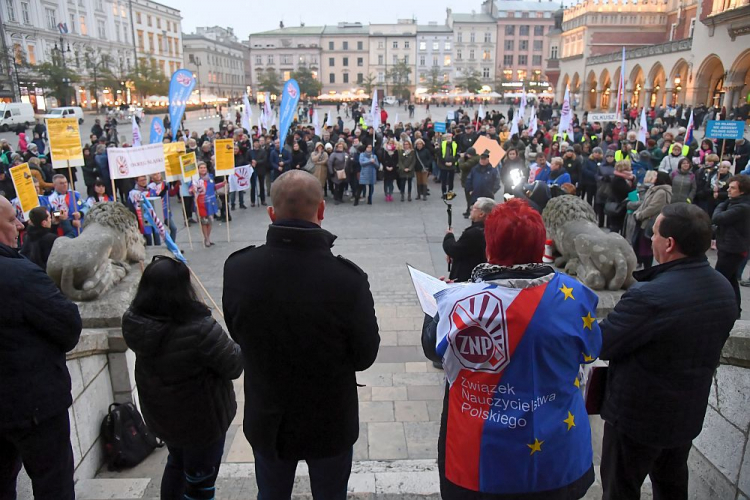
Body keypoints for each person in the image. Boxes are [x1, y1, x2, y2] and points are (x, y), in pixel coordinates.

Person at [423, 199, 600, 499]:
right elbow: (591, 351)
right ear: (540, 246)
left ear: (490, 249)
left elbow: (433, 348)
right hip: (556, 456)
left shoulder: (457, 302)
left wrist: (435, 305)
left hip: (478, 459)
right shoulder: (576, 296)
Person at [222, 171, 380, 500]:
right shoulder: (347, 280)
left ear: (271, 212)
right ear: (321, 210)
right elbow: (365, 356)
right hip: (330, 422)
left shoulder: (239, 269)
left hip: (269, 420)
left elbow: (238, 333)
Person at [599, 203, 738, 500]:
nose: (650, 239)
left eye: (654, 233)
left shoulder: (649, 296)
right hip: (685, 415)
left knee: (620, 489)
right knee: (672, 485)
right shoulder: (723, 288)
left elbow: (603, 343)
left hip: (636, 419)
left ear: (670, 243)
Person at [122, 255, 243, 500]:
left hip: (163, 417)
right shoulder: (199, 328)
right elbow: (234, 365)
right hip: (201, 422)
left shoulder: (134, 320)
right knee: (200, 482)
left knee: (176, 464)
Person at [0, 195, 82, 499]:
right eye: (11, 220)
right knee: (53, 484)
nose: (19, 225)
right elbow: (69, 326)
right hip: (33, 405)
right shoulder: (20, 275)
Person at [712, 175, 750, 317]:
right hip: (728, 246)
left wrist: (722, 203)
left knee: (719, 280)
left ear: (742, 191)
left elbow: (718, 218)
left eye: (732, 188)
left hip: (733, 249)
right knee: (731, 280)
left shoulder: (743, 207)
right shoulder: (734, 203)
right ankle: (736, 310)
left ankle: (719, 311)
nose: (729, 190)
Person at [442, 197, 495, 282]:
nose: (471, 209)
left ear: (481, 214)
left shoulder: (474, 233)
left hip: (467, 277)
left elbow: (454, 249)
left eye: (474, 208)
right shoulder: (491, 229)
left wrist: (449, 235)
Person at [630, 171, 672, 269]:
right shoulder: (653, 189)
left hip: (650, 222)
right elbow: (644, 203)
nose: (653, 177)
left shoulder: (661, 192)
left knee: (646, 248)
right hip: (643, 221)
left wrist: (640, 215)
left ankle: (647, 268)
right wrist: (638, 212)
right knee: (640, 244)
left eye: (656, 176)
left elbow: (653, 207)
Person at [19, 206, 58, 271]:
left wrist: (54, 226)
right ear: (44, 223)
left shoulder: (27, 236)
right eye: (49, 218)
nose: (51, 219)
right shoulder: (51, 239)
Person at [48, 174, 85, 238]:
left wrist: (80, 213)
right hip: (65, 230)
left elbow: (85, 206)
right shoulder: (50, 199)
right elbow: (52, 214)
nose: (65, 185)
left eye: (66, 182)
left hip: (80, 227)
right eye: (61, 183)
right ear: (55, 185)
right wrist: (70, 222)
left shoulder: (75, 194)